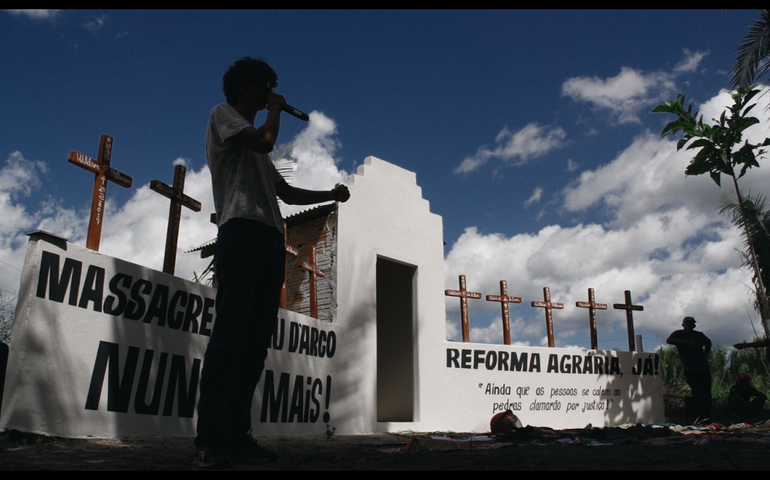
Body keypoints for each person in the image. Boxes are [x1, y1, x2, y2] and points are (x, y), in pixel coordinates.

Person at [195, 57, 350, 469]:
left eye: (272, 89)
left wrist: (329, 194)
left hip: (268, 238)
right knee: (229, 337)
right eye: (264, 86)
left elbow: (288, 194)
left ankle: (237, 434)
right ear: (243, 85)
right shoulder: (223, 116)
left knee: (254, 344)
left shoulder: (259, 153)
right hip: (240, 232)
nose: (269, 94)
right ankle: (211, 439)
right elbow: (264, 140)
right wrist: (277, 111)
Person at [666, 316, 712, 422]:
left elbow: (708, 343)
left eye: (691, 323)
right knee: (696, 391)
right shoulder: (679, 334)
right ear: (683, 324)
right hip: (690, 367)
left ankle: (707, 416)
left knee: (706, 391)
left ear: (694, 325)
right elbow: (669, 340)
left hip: (702, 366)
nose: (689, 325)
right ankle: (697, 416)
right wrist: (686, 343)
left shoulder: (699, 335)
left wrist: (705, 354)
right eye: (687, 323)